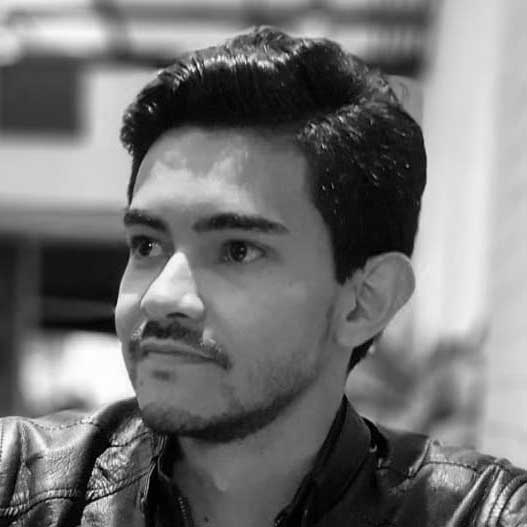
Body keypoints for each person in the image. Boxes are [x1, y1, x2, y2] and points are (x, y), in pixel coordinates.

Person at [0, 26, 526, 527]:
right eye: (147, 245)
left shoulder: (476, 514)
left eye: (237, 250)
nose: (161, 296)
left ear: (365, 300)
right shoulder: (21, 484)